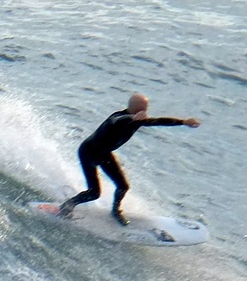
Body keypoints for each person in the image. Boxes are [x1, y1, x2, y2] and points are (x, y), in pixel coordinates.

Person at [59, 95, 200, 224]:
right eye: (140, 109)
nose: (143, 112)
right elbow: (115, 121)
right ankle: (67, 206)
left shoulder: (139, 120)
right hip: (88, 152)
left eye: (145, 109)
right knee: (94, 193)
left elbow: (159, 121)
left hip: (104, 154)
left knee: (123, 186)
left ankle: (115, 211)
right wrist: (132, 118)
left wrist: (183, 122)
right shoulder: (119, 118)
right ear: (131, 108)